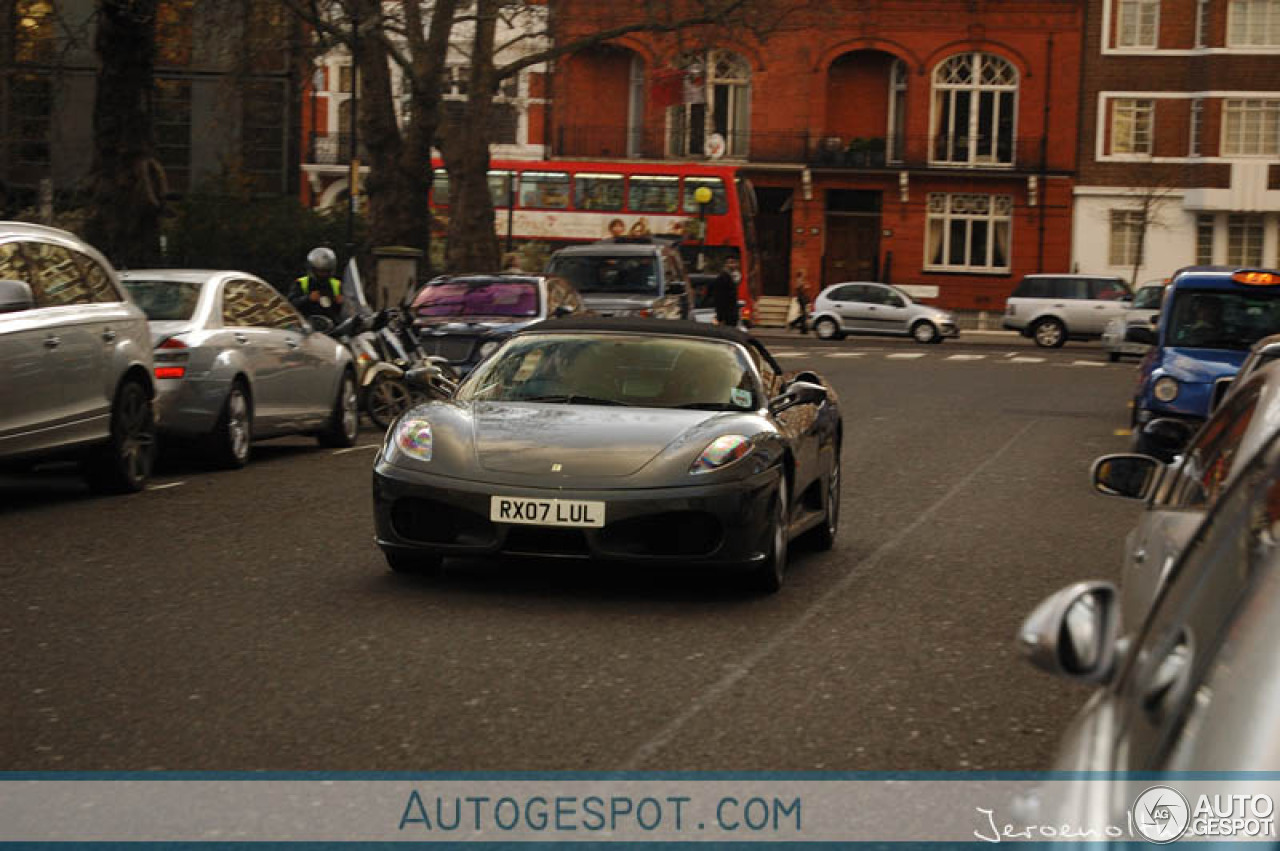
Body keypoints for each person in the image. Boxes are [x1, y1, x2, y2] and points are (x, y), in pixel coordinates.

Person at [289, 246, 343, 324]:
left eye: (327, 271)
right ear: (312, 269)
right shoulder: (301, 283)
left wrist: (343, 302)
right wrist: (307, 298)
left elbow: (350, 308)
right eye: (320, 271)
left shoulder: (337, 284)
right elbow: (290, 305)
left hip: (332, 326)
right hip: (306, 325)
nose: (323, 275)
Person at [712, 257, 741, 327]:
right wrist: (720, 317)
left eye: (734, 263)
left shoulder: (732, 277)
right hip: (727, 315)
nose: (733, 265)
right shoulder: (722, 278)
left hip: (730, 315)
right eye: (731, 263)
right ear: (726, 264)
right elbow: (720, 298)